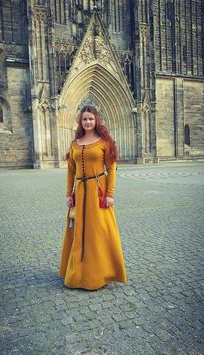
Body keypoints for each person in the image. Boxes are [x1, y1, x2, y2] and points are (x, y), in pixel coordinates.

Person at [58, 105, 127, 290]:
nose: (88, 122)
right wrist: (68, 194)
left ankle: (99, 274)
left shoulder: (104, 142)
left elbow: (111, 169)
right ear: (80, 122)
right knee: (78, 232)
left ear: (96, 120)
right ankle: (76, 274)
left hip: (98, 192)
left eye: (90, 119)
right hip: (79, 192)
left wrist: (110, 194)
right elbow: (70, 172)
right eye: (84, 119)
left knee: (98, 232)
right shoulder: (75, 143)